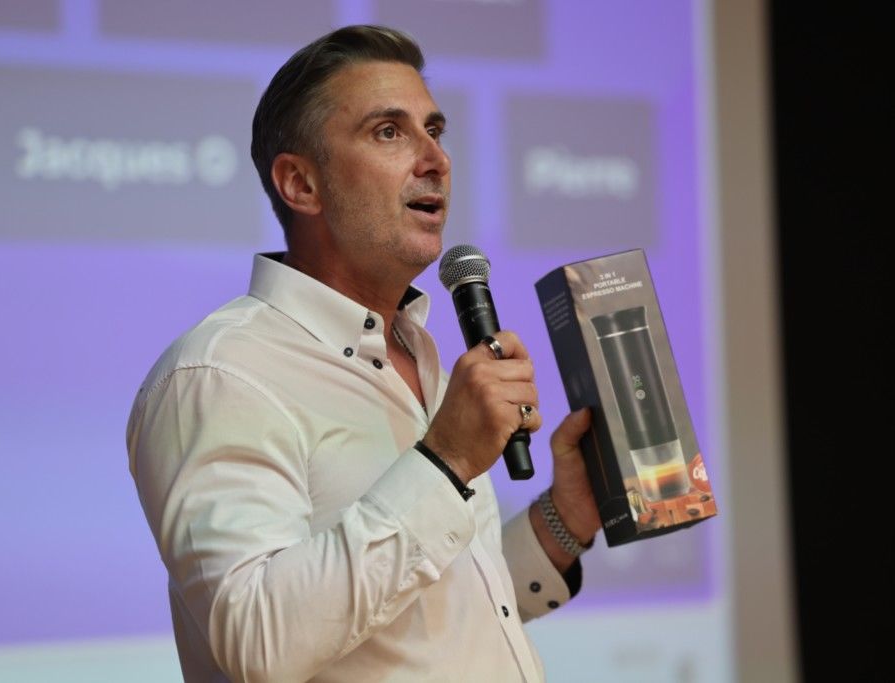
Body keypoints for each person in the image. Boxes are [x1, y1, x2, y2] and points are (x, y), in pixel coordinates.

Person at [127, 25, 601, 683]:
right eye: (388, 132)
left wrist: (565, 518)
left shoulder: (426, 362)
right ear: (301, 184)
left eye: (435, 130)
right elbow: (259, 640)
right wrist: (447, 462)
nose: (435, 159)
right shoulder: (220, 374)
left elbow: (433, 620)